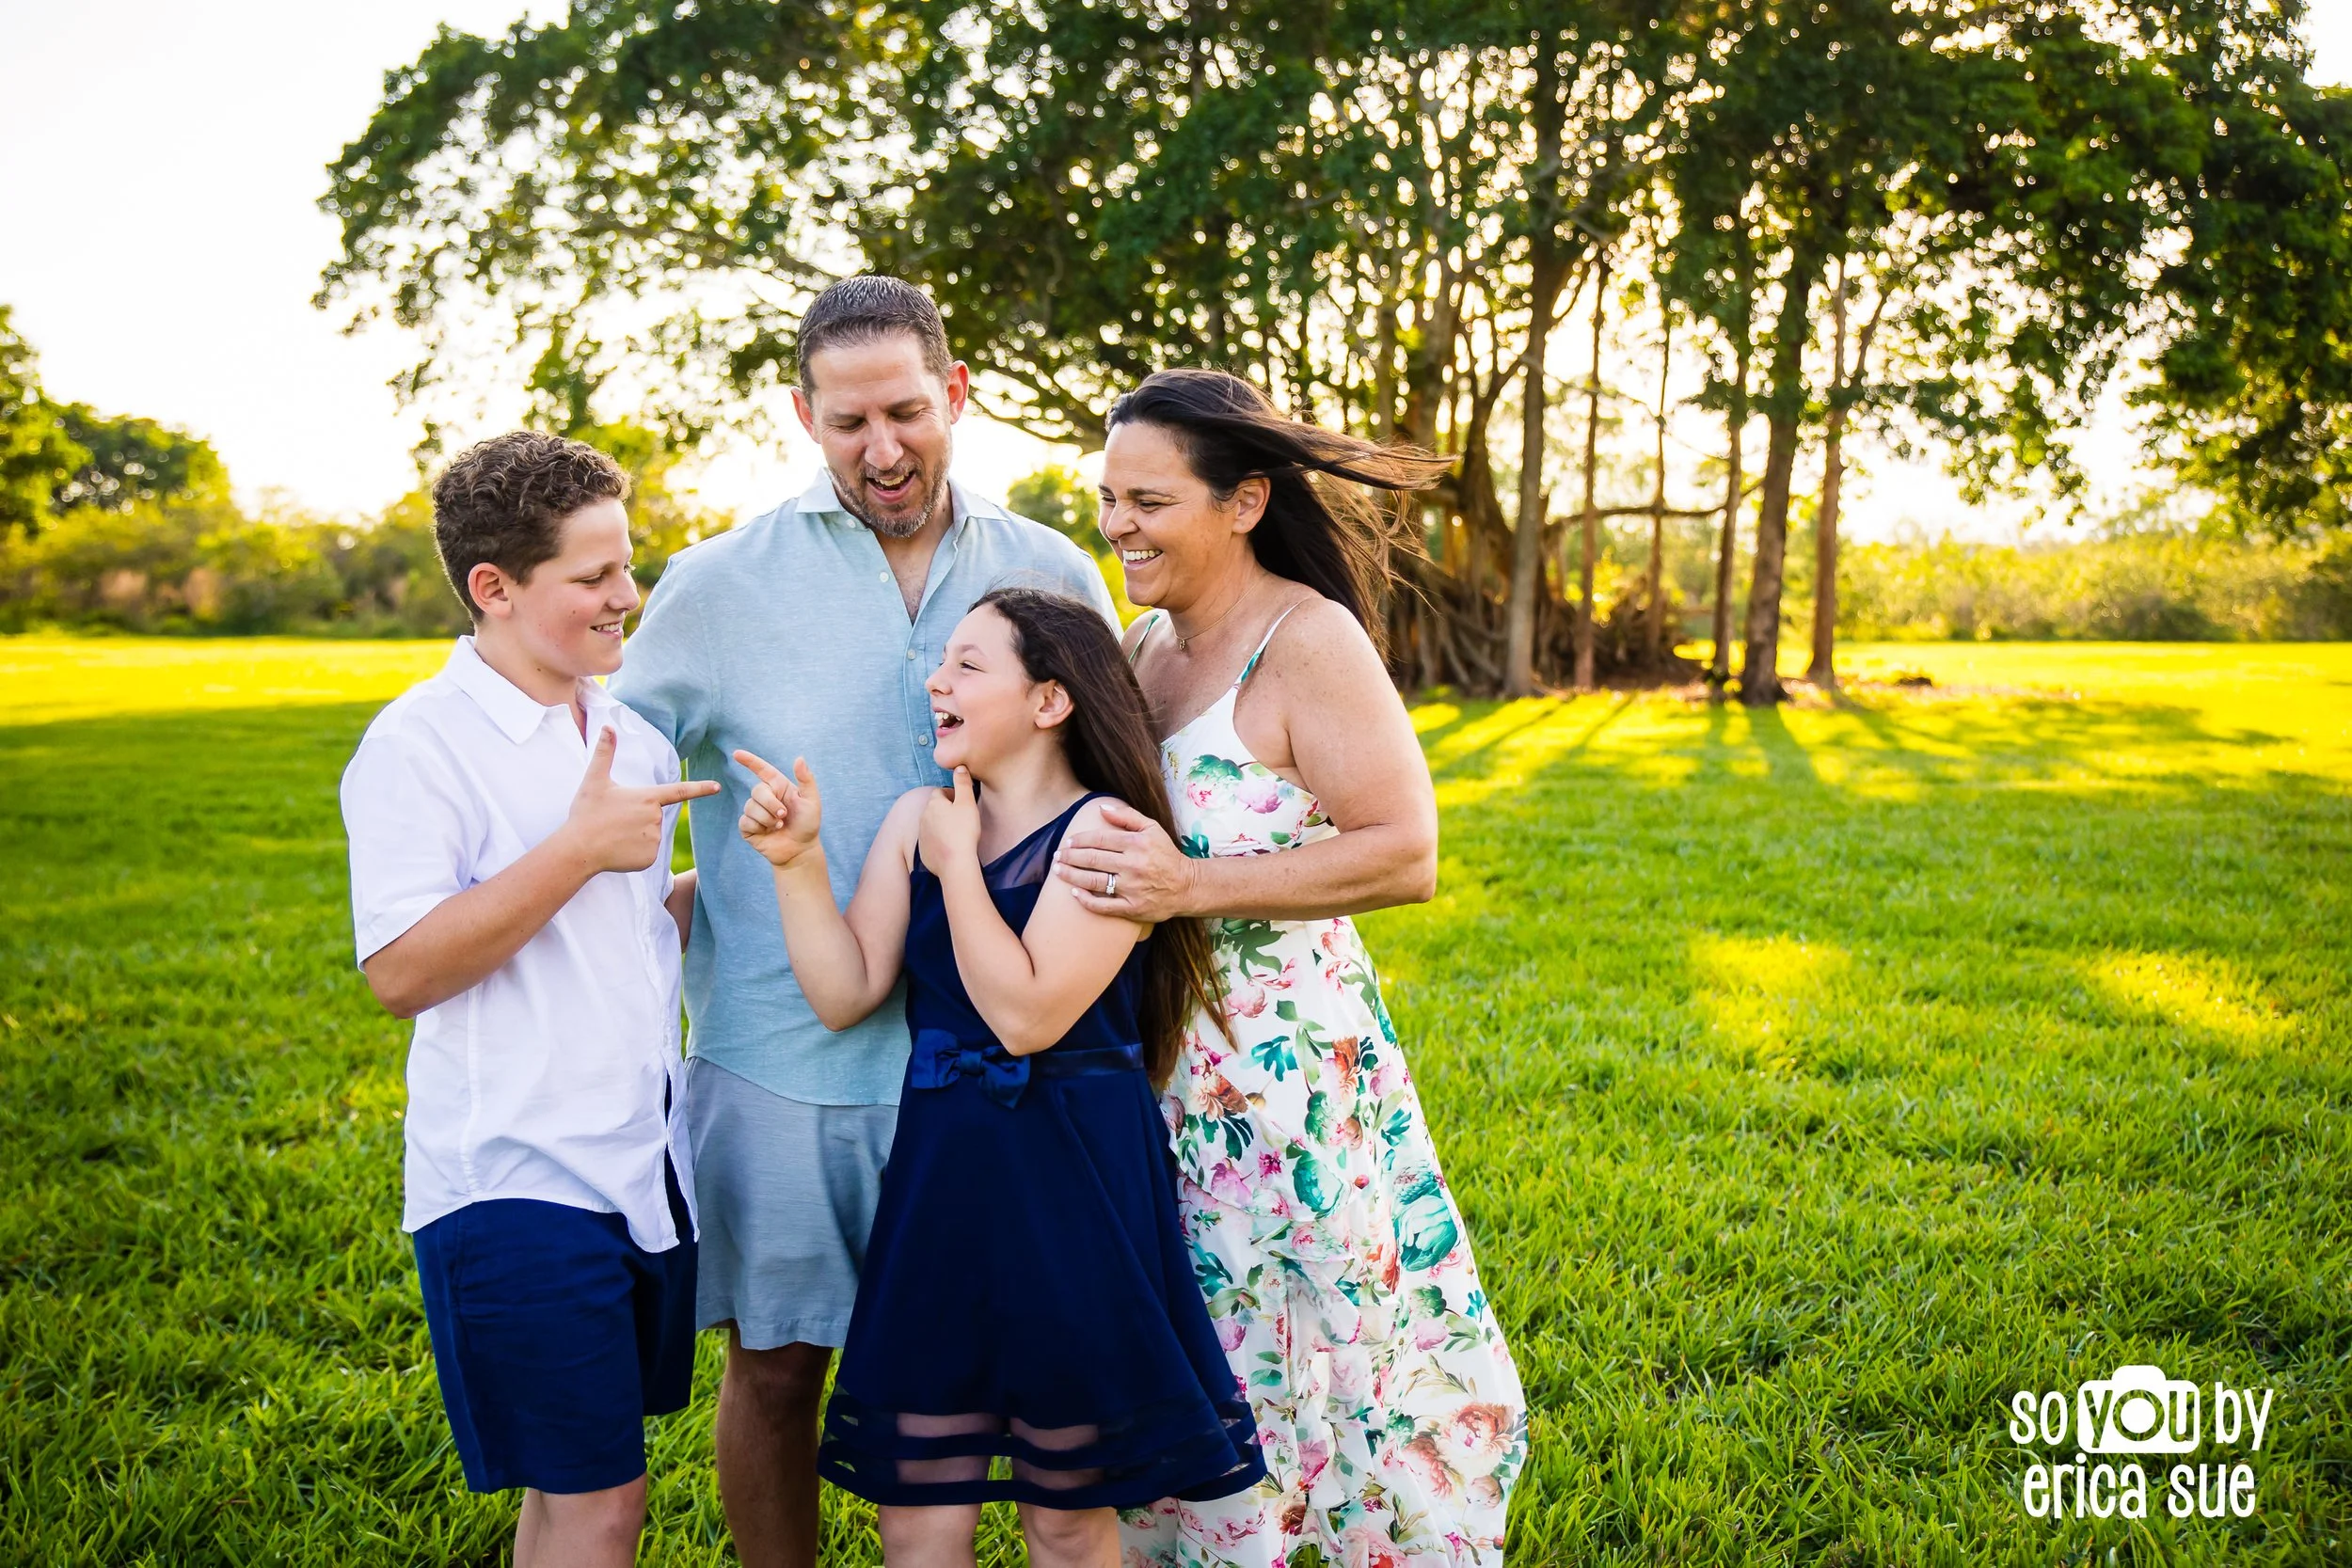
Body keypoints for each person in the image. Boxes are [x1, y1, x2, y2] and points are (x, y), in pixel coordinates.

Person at [610, 276, 1118, 1567]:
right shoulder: (713, 585)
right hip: (786, 1052)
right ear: (804, 417)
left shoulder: (1052, 570)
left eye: (905, 412)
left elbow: (1114, 776)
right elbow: (610, 777)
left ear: (955, 393)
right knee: (779, 1370)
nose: (881, 448)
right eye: (847, 422)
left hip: (1010, 1060)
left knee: (1020, 1386)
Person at [1052, 370, 1529, 1567]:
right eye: (1108, 497)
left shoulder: (1305, 640)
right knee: (1186, 1354)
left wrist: (1188, 887)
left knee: (1298, 1353)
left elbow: (1405, 850)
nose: (1117, 524)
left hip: (1279, 1080)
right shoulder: (1141, 644)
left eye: (1148, 500)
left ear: (1245, 502)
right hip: (1148, 1074)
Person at [730, 587, 1265, 1568]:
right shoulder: (918, 819)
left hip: (1072, 1180)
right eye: (942, 662)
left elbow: (1025, 1016)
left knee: (1065, 1507)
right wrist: (795, 861)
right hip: (945, 1178)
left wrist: (958, 868)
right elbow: (846, 992)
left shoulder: (1105, 831)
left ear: (1050, 700)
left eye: (968, 664)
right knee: (919, 1506)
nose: (936, 680)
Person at [340, 431, 720, 1568]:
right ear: (494, 588)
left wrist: (748, 872)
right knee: (604, 1502)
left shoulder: (630, 735)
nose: (627, 595)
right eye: (592, 575)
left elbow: (626, 929)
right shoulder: (418, 743)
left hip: (640, 1170)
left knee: (574, 1497)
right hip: (511, 1179)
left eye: (627, 564)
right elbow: (401, 969)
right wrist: (575, 850)